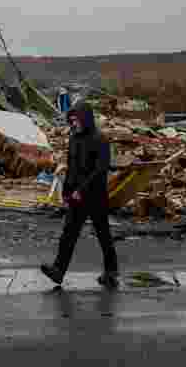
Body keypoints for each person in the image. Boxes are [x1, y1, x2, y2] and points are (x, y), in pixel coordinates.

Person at [41, 100, 119, 288]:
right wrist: (68, 190)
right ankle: (58, 271)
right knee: (68, 233)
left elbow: (100, 170)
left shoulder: (100, 140)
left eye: (77, 119)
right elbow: (72, 167)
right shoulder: (74, 138)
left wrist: (81, 190)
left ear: (86, 119)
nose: (74, 123)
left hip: (95, 196)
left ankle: (111, 272)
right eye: (72, 119)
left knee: (103, 234)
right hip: (77, 196)